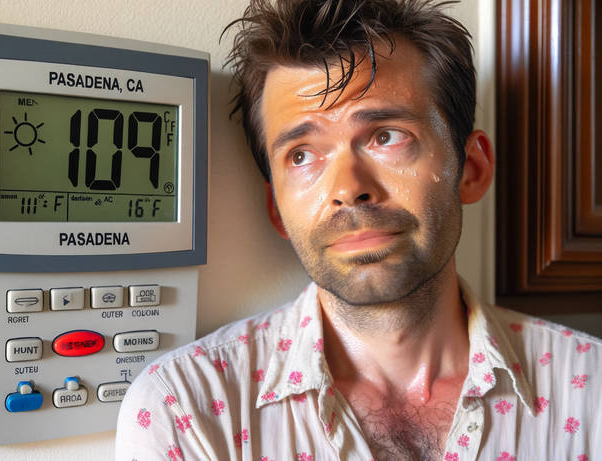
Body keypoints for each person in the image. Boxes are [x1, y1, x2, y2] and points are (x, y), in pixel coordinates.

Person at [115, 1, 601, 459]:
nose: (348, 189)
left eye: (386, 136)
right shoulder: (182, 411)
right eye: (302, 155)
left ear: (471, 168)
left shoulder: (591, 390)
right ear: (278, 211)